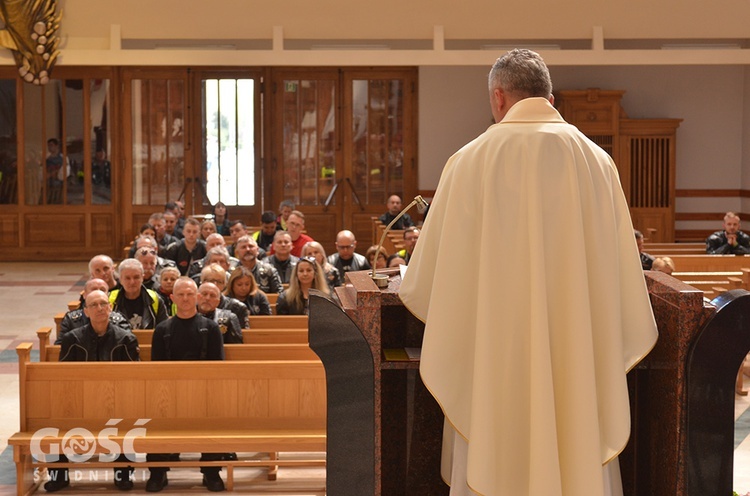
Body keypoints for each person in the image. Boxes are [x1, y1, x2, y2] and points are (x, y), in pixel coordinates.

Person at [399, 49, 658, 496]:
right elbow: (621, 270)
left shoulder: (468, 160)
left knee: (490, 429)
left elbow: (430, 280)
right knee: (575, 429)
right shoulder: (596, 161)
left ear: (499, 97)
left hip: (495, 346)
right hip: (574, 343)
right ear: (550, 98)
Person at [45, 289, 140, 493]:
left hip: (117, 400)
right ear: (85, 311)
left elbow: (134, 375)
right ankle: (58, 475)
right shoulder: (72, 338)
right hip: (80, 399)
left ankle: (123, 474)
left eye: (103, 304)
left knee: (129, 416)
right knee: (55, 419)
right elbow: (63, 375)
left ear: (110, 307)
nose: (99, 308)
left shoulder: (126, 338)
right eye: (93, 305)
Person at [147, 277, 225, 493]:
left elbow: (218, 366)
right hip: (168, 392)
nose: (185, 298)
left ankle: (211, 472)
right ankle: (158, 472)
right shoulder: (163, 329)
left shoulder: (210, 328)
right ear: (172, 298)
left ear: (197, 297)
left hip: (203, 391)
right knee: (156, 420)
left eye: (190, 294)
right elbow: (156, 368)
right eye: (180, 294)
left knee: (213, 419)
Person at [57, 278, 131, 344]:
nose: (98, 292)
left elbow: (128, 342)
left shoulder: (118, 320)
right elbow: (60, 346)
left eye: (102, 290)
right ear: (84, 295)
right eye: (94, 289)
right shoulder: (71, 319)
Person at [109, 258, 168, 329]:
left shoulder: (155, 299)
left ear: (142, 278)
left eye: (136, 277)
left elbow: (164, 329)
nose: (132, 282)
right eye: (127, 278)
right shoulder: (109, 299)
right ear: (121, 279)